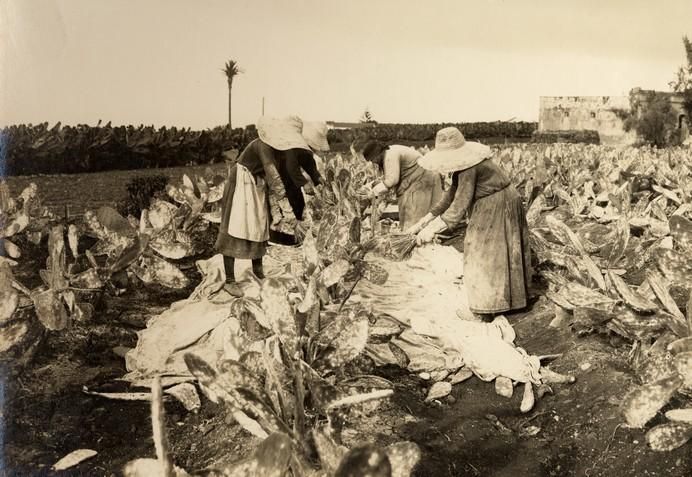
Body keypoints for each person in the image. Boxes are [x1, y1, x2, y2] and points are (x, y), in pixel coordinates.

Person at [406, 127, 532, 318]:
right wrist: (424, 220)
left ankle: (487, 307)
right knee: (498, 250)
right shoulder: (463, 166)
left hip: (496, 203)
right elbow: (450, 195)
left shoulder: (469, 167)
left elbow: (458, 206)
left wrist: (431, 230)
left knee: (482, 252)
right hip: (496, 200)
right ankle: (507, 300)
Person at [215, 116, 328, 295]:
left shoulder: (283, 150)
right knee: (235, 227)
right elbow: (274, 174)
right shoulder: (263, 145)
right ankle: (230, 279)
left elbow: (295, 176)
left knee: (259, 226)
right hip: (241, 180)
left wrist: (299, 213)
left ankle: (258, 271)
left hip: (257, 183)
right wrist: (286, 206)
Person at [360, 140, 444, 231]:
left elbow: (391, 181)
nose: (373, 162)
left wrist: (371, 193)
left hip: (421, 180)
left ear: (376, 154)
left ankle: (415, 240)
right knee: (406, 216)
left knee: (413, 217)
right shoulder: (389, 152)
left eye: (372, 159)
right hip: (416, 180)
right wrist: (373, 185)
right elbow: (388, 178)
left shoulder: (390, 155)